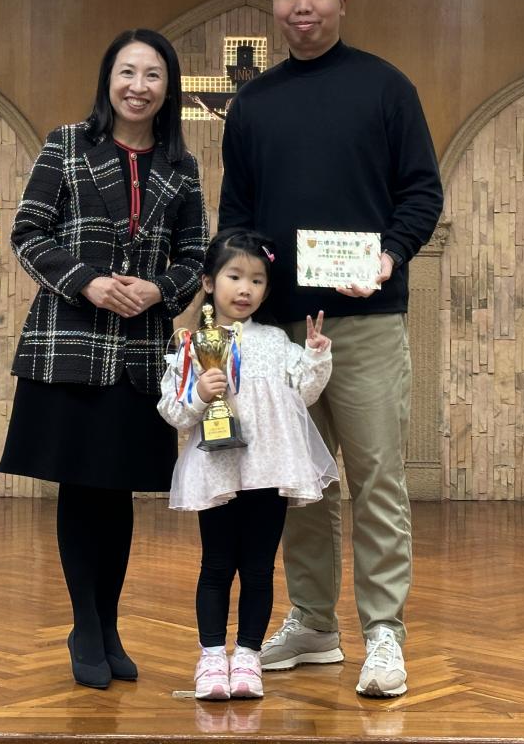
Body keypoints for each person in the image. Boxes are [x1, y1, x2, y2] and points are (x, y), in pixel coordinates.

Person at [218, 0, 443, 698]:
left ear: (343, 1)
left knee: (377, 477)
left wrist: (390, 255)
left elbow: (422, 192)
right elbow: (237, 214)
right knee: (300, 482)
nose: (302, 6)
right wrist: (239, 289)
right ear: (274, 4)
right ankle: (314, 622)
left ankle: (384, 632)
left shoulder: (386, 89)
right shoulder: (253, 104)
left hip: (366, 321)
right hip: (279, 329)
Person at [0, 28, 209, 690]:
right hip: (72, 343)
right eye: (127, 72)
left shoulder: (182, 166)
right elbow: (27, 233)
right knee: (81, 486)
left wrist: (161, 290)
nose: (138, 86)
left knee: (117, 493)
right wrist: (86, 281)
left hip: (141, 351)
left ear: (168, 89)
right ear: (108, 80)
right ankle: (84, 626)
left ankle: (110, 625)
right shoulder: (66, 144)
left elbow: (195, 257)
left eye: (152, 75)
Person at [157, 228, 338, 701]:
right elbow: (174, 412)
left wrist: (316, 356)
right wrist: (200, 393)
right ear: (208, 282)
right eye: (234, 276)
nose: (245, 289)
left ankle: (248, 657)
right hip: (218, 471)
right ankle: (211, 658)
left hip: (269, 470)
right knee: (217, 565)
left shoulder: (275, 341)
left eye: (257, 281)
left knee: (259, 568)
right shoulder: (192, 343)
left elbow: (304, 393)